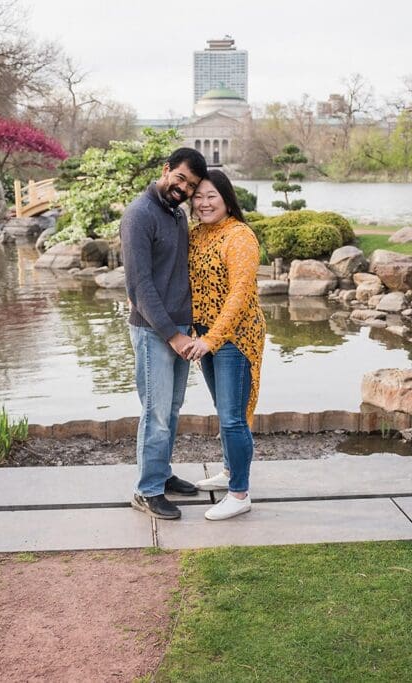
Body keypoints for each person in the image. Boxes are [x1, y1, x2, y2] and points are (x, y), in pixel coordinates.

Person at [120, 147, 209, 520]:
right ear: (166, 169)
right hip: (154, 333)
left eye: (191, 185)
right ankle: (147, 490)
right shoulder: (139, 216)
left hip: (179, 332)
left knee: (171, 411)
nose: (184, 188)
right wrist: (173, 335)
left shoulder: (175, 216)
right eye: (181, 178)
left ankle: (161, 473)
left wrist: (186, 329)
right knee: (155, 413)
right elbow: (140, 288)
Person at [183, 170, 266, 521]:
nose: (203, 203)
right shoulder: (196, 235)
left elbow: (239, 294)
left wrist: (212, 339)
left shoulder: (240, 237)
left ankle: (239, 493)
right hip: (205, 334)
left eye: (210, 196)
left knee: (233, 417)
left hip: (236, 336)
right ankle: (231, 472)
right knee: (225, 410)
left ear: (226, 198)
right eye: (197, 196)